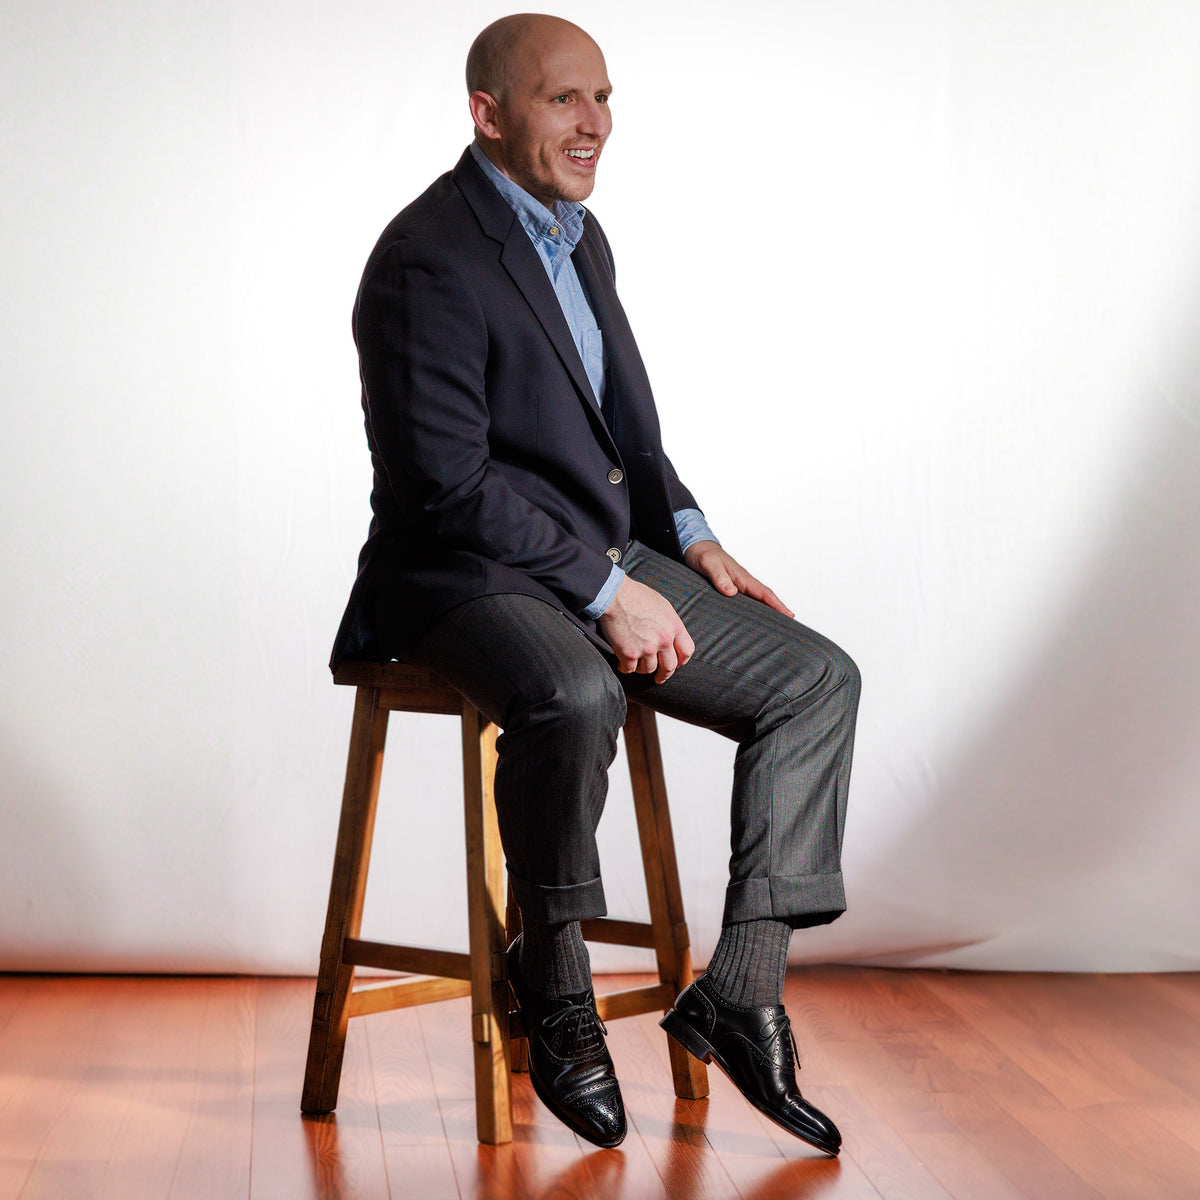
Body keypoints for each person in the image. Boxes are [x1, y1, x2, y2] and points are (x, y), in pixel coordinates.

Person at [331, 12, 860, 1154]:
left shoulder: (580, 235)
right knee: (574, 691)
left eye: (605, 99)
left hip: (596, 554)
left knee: (817, 679)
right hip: (458, 572)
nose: (595, 125)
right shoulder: (428, 257)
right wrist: (600, 586)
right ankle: (552, 972)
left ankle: (744, 988)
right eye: (565, 100)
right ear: (488, 112)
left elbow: (627, 428)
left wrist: (690, 532)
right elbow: (444, 484)